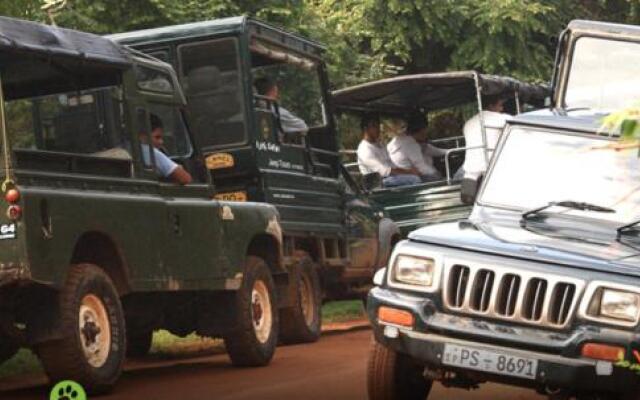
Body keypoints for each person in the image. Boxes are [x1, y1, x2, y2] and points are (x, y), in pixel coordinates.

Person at [357, 113, 421, 188]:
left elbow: (391, 164)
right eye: (374, 126)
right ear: (366, 129)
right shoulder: (364, 149)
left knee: (421, 174)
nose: (378, 129)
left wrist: (409, 171)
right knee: (414, 180)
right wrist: (409, 172)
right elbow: (383, 171)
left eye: (378, 126)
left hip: (389, 178)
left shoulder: (380, 144)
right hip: (377, 183)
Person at [458, 94, 509, 180]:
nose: (502, 109)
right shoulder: (502, 118)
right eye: (500, 105)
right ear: (491, 106)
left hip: (470, 169)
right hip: (493, 165)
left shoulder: (468, 123)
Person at [387, 112, 446, 182]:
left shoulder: (400, 138)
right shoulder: (410, 144)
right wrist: (438, 176)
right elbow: (421, 167)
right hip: (407, 176)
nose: (426, 133)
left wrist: (449, 152)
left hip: (400, 174)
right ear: (422, 130)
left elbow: (429, 149)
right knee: (435, 176)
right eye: (425, 129)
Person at [140, 114, 192, 185]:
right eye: (157, 137)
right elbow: (185, 178)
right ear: (143, 136)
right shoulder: (150, 152)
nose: (161, 142)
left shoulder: (125, 147)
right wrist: (178, 168)